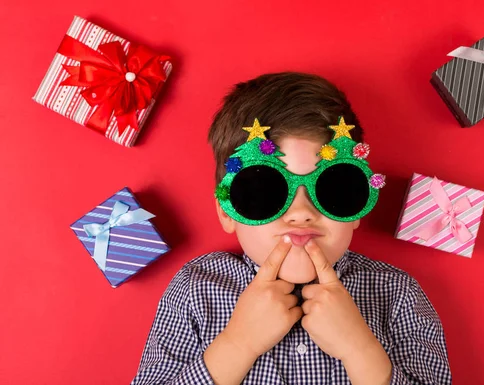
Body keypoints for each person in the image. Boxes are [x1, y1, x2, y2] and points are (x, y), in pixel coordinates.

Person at [131, 72, 452, 384]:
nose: (300, 213)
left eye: (333, 189)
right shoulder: (195, 290)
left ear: (357, 208)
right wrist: (237, 344)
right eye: (263, 192)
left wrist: (360, 351)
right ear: (227, 213)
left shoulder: (396, 294)